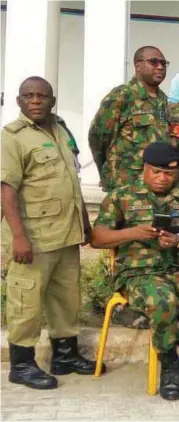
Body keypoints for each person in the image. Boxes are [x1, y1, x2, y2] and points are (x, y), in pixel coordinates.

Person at [90, 142, 179, 401]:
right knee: (162, 301)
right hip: (140, 274)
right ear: (144, 169)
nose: (161, 178)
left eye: (168, 174)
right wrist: (132, 232)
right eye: (156, 172)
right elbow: (97, 238)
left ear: (176, 173)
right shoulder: (121, 196)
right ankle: (169, 364)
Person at [2, 77, 96, 390]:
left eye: (42, 96)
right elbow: (6, 190)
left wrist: (84, 220)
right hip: (34, 237)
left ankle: (65, 356)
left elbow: (72, 179)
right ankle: (23, 365)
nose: (36, 101)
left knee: (66, 299)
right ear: (19, 101)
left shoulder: (61, 129)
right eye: (28, 96)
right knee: (25, 302)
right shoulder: (13, 138)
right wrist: (18, 236)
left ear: (52, 100)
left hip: (66, 233)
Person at [88, 46, 169, 192]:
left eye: (163, 63)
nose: (160, 67)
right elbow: (99, 137)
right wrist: (107, 169)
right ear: (138, 65)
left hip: (156, 184)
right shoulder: (122, 96)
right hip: (126, 184)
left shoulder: (164, 100)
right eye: (154, 62)